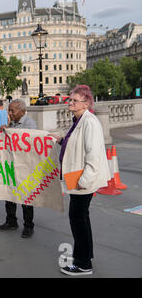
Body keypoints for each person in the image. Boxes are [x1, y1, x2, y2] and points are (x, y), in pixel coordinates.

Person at [50, 85, 111, 276]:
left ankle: (83, 263)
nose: (70, 102)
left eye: (74, 100)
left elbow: (93, 155)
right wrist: (60, 140)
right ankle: (84, 257)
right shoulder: (78, 120)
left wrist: (84, 181)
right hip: (77, 178)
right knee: (81, 218)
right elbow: (74, 144)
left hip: (82, 180)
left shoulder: (89, 122)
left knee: (78, 219)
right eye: (71, 99)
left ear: (86, 104)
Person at [0, 99, 37, 238]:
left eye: (12, 110)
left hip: (25, 167)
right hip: (12, 165)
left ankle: (28, 225)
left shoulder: (29, 124)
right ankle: (11, 221)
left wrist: (10, 132)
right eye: (9, 110)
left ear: (22, 111)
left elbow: (28, 144)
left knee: (26, 198)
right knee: (9, 195)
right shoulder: (12, 123)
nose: (10, 113)